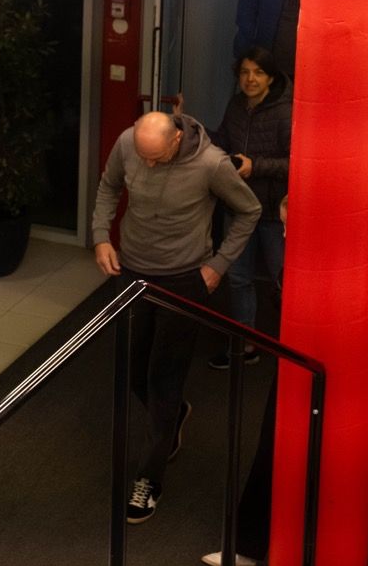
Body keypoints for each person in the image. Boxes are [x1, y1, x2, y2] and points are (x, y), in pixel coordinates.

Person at [92, 111, 260, 524]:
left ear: (176, 139)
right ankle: (174, 415)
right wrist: (100, 237)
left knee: (163, 379)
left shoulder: (212, 164)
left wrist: (218, 265)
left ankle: (149, 479)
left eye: (156, 157)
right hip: (133, 272)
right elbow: (109, 186)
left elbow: (249, 211)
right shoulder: (128, 142)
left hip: (185, 281)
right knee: (133, 370)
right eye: (143, 157)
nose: (147, 165)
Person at [202, 194, 289, 566]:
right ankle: (247, 547)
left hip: (314, 374)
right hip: (292, 370)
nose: (283, 234)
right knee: (274, 453)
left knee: (286, 454)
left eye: (289, 227)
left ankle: (248, 548)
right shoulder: (294, 263)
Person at [208, 46, 291, 369]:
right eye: (244, 72)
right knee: (239, 278)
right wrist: (190, 128)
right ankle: (247, 346)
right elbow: (223, 143)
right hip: (239, 208)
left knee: (284, 282)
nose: (250, 79)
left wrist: (256, 166)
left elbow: (297, 163)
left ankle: (297, 351)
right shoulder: (236, 105)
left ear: (271, 78)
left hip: (272, 213)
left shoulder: (286, 112)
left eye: (258, 72)